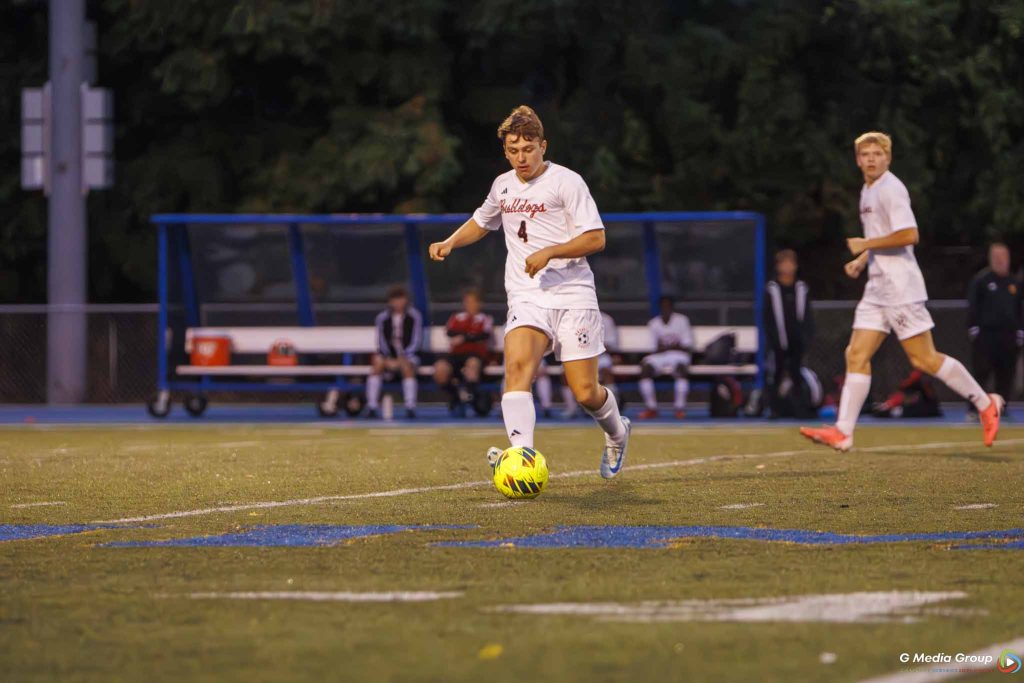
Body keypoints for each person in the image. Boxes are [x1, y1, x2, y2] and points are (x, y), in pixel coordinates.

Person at [428, 105, 631, 478]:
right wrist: (451, 241)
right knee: (517, 370)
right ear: (505, 151)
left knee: (585, 392)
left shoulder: (566, 182)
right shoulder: (502, 185)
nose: (521, 157)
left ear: (543, 146)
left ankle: (617, 433)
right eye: (513, 150)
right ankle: (521, 456)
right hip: (526, 296)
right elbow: (481, 220)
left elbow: (596, 238)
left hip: (572, 295)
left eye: (528, 148)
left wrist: (551, 250)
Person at [801, 131, 1002, 451]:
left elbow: (909, 234)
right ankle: (843, 431)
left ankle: (984, 403)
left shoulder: (891, 189)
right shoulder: (868, 191)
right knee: (856, 354)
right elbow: (887, 235)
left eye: (877, 154)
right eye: (865, 154)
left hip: (901, 289)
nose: (871, 159)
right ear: (857, 160)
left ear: (888, 158)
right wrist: (863, 259)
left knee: (924, 359)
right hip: (878, 288)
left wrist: (867, 244)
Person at [966, 242, 1023, 412]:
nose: (1000, 260)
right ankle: (975, 409)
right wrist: (973, 328)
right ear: (990, 258)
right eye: (996, 256)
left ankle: (1001, 409)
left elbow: (1019, 308)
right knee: (981, 372)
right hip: (986, 334)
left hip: (1008, 335)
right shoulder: (981, 280)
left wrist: (1020, 331)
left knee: (1006, 374)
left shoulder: (1015, 283)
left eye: (1003, 256)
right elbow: (973, 305)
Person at [764, 249, 815, 418]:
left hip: (797, 340)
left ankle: (800, 409)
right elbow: (767, 317)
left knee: (797, 373)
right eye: (783, 263)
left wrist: (806, 336)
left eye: (790, 263)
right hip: (778, 340)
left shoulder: (801, 288)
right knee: (776, 374)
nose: (787, 267)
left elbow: (807, 315)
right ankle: (773, 409)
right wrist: (773, 339)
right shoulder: (772, 289)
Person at [434, 288, 494, 416]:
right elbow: (450, 332)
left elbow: (484, 335)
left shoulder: (485, 318)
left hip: (475, 355)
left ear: (479, 303)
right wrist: (469, 336)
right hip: (456, 355)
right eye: (467, 302)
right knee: (440, 369)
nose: (470, 305)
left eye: (473, 302)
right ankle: (456, 396)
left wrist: (463, 338)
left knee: (471, 368)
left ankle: (473, 402)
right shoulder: (457, 317)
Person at [367, 285, 423, 419]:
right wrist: (387, 358)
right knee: (377, 364)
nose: (398, 303)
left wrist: (404, 357)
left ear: (406, 300)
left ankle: (410, 407)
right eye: (395, 300)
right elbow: (381, 341)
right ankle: (372, 407)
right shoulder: (382, 318)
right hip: (388, 357)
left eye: (401, 299)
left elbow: (416, 340)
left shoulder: (414, 316)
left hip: (409, 356)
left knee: (407, 366)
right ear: (390, 301)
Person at [637, 296, 693, 420]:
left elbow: (687, 345)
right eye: (663, 306)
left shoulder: (682, 320)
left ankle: (679, 408)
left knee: (681, 369)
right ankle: (651, 408)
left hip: (678, 355)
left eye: (668, 306)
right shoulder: (654, 323)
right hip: (660, 356)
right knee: (645, 368)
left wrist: (668, 347)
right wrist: (671, 346)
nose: (665, 308)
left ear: (672, 307)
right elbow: (653, 347)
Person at [561, 312, 621, 418]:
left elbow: (610, 344)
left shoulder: (606, 319)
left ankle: (611, 409)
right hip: (579, 356)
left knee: (606, 371)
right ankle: (571, 409)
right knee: (564, 372)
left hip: (601, 355)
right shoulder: (573, 318)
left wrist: (591, 348)